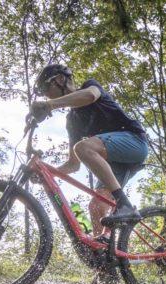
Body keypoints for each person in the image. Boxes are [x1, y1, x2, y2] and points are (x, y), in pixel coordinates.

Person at [29, 64, 147, 239]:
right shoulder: (72, 121)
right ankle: (104, 255)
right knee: (97, 206)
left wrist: (49, 105)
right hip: (114, 164)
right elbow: (73, 164)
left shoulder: (89, 87)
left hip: (134, 141)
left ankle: (125, 206)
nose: (45, 94)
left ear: (61, 80)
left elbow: (91, 96)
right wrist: (47, 173)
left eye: (46, 87)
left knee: (83, 147)